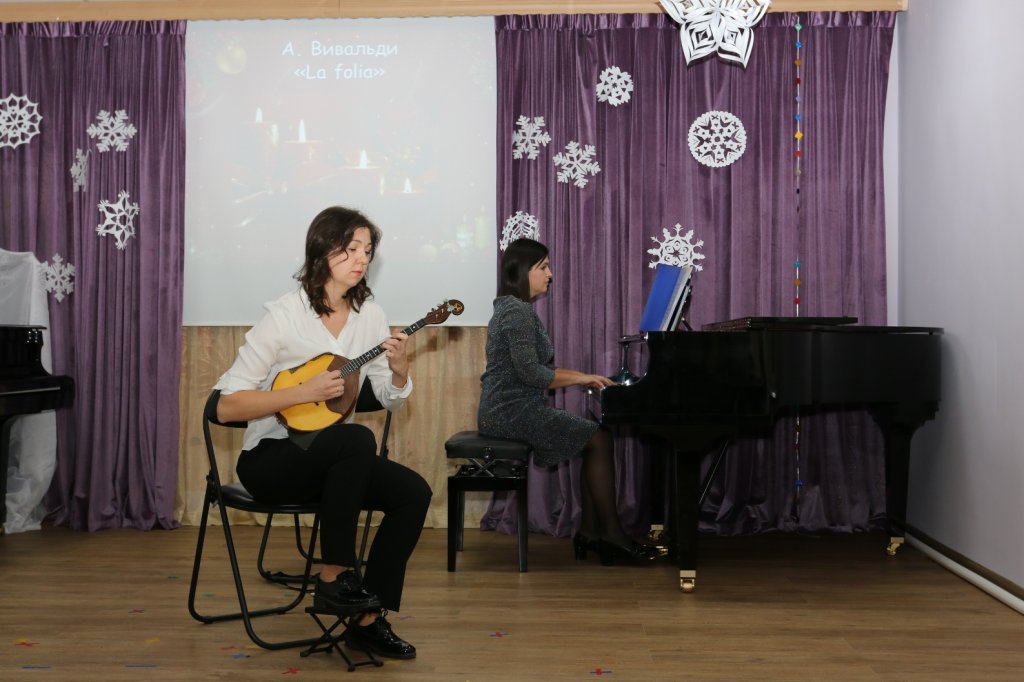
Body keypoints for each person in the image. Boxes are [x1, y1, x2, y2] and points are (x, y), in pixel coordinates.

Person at [213, 206, 431, 660]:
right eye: (351, 249)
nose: (362, 259)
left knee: (413, 492)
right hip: (271, 460)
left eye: (368, 250)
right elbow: (225, 406)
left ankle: (367, 620)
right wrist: (300, 393)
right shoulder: (283, 316)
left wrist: (399, 370)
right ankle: (333, 575)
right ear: (321, 250)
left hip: (336, 465)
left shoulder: (370, 315)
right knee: (356, 439)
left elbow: (383, 397)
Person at [477, 238, 661, 565]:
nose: (550, 274)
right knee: (599, 438)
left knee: (595, 437)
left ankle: (591, 533)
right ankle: (610, 537)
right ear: (522, 271)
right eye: (543, 267)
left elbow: (535, 370)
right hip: (510, 412)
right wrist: (582, 378)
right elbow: (533, 374)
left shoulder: (511, 308)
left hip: (510, 408)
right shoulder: (517, 311)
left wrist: (584, 375)